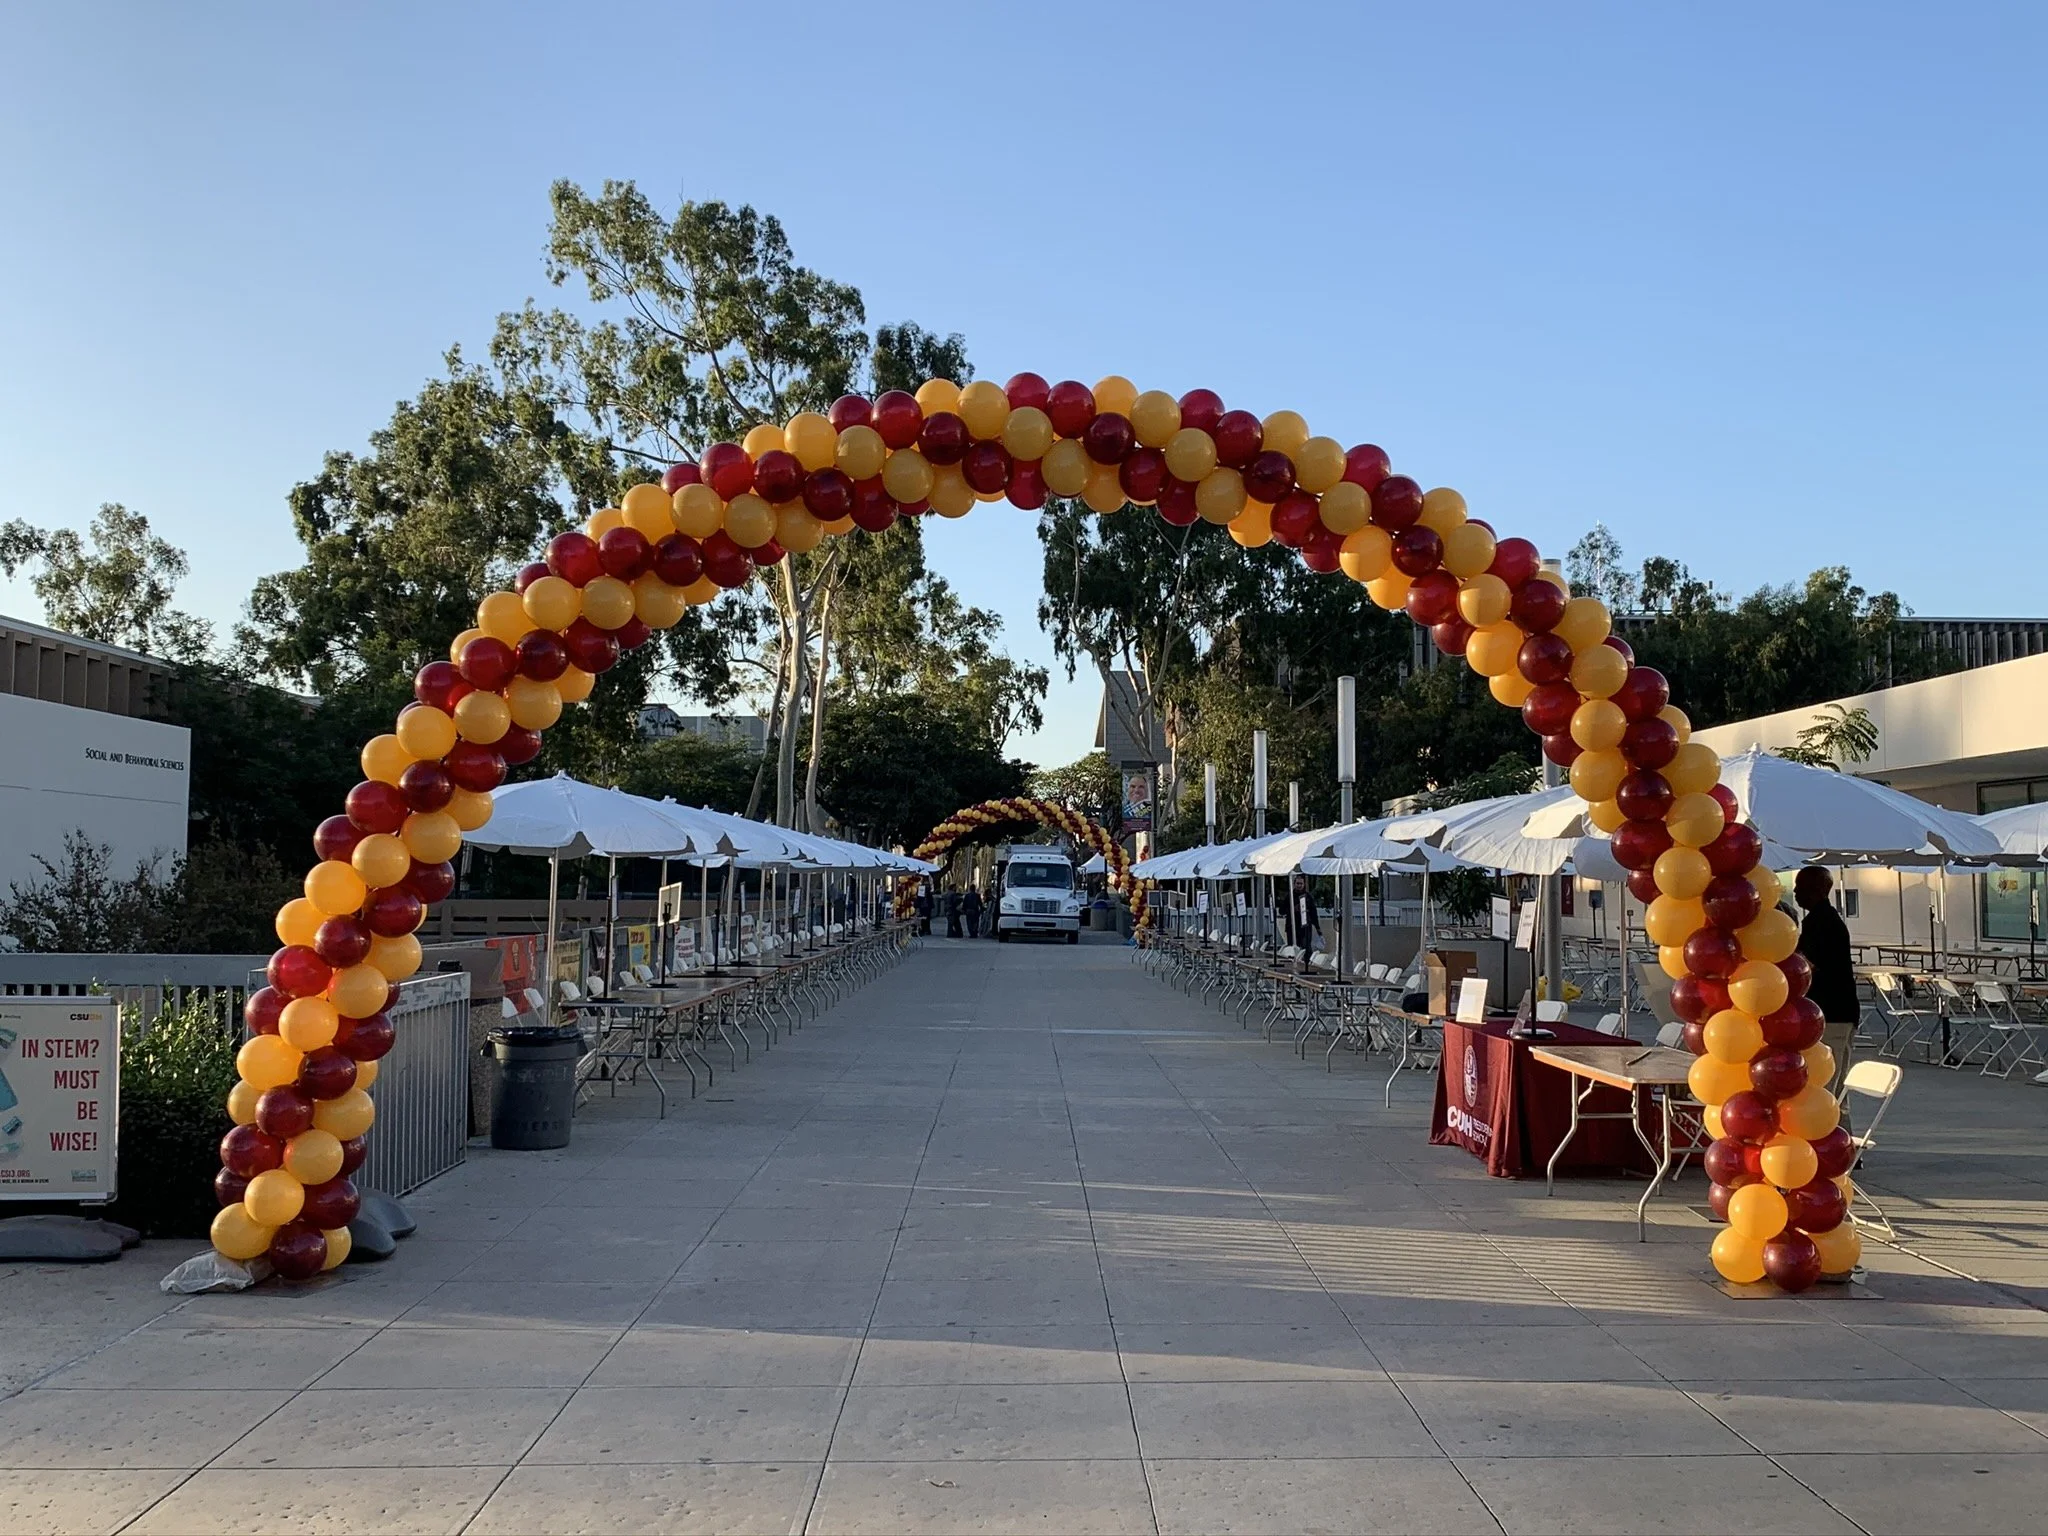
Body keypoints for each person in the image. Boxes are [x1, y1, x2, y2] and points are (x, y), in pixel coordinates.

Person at [1794, 867, 1858, 1093]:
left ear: (1818, 889)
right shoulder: (1823, 919)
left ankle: (1831, 1126)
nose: (1795, 891)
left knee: (1827, 1083)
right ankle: (1839, 1126)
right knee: (1835, 1085)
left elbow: (1806, 964)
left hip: (1832, 1012)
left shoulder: (1821, 922)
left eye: (1800, 886)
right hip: (1839, 1011)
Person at [1288, 872, 1321, 970]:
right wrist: (1293, 909)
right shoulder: (1290, 896)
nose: (1299, 886)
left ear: (1304, 884)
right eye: (1297, 883)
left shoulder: (1308, 897)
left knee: (1306, 948)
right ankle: (1293, 968)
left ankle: (1306, 968)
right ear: (1294, 884)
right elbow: (1281, 910)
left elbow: (1314, 913)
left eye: (1301, 884)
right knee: (1293, 949)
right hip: (1292, 927)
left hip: (1306, 927)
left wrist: (1318, 927)